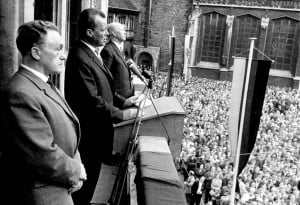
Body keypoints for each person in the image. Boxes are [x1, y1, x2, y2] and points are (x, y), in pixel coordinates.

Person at [0, 20, 86, 205]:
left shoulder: (43, 83)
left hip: (58, 186)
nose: (64, 56)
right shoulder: (20, 93)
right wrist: (76, 171)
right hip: (44, 196)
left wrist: (76, 163)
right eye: (57, 49)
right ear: (36, 52)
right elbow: (43, 154)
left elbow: (69, 127)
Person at [64, 9, 139, 205]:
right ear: (89, 32)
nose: (107, 33)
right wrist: (121, 115)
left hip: (97, 134)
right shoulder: (80, 57)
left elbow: (105, 87)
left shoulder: (93, 53)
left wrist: (124, 102)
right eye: (103, 29)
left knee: (91, 185)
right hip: (89, 137)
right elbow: (92, 101)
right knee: (84, 191)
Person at [101, 22, 146, 98]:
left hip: (127, 96)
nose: (125, 32)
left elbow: (128, 63)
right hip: (118, 98)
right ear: (114, 33)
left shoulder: (120, 49)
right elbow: (104, 78)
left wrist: (141, 76)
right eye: (122, 30)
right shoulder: (108, 50)